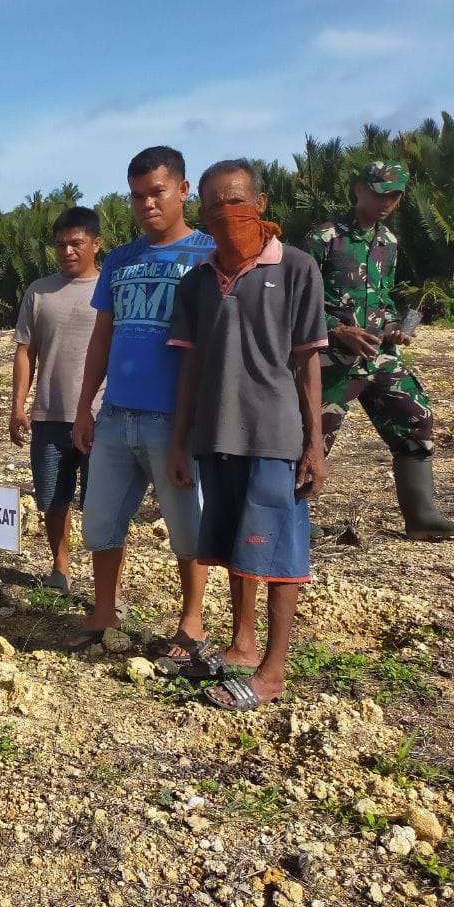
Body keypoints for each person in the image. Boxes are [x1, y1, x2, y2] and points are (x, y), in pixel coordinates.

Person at [166, 161, 328, 710]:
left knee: (280, 554)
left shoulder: (299, 268)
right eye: (214, 207)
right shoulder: (197, 282)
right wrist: (179, 441)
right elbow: (188, 369)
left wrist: (314, 442)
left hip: (275, 435)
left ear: (260, 203)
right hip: (215, 435)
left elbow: (308, 361)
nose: (226, 214)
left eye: (236, 202)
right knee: (236, 545)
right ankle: (240, 645)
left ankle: (273, 671)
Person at [69, 146, 214, 663]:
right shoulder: (121, 261)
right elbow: (102, 337)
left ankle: (191, 622)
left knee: (187, 528)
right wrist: (86, 404)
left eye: (156, 192)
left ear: (182, 190)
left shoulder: (209, 255)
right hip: (116, 416)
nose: (147, 204)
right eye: (136, 196)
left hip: (176, 421)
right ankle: (104, 611)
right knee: (101, 522)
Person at [305, 161, 454, 539]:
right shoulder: (324, 238)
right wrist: (339, 331)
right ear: (358, 190)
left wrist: (396, 327)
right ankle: (290, 519)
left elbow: (381, 298)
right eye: (380, 192)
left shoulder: (388, 243)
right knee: (311, 437)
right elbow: (299, 302)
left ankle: (422, 517)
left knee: (415, 419)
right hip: (332, 360)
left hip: (380, 355)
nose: (387, 201)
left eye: (395, 195)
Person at [9, 206, 102, 593]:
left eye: (76, 243)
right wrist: (18, 405)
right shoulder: (39, 291)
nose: (67, 251)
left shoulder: (110, 288)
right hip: (49, 413)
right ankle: (60, 566)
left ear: (96, 244)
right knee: (52, 499)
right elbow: (24, 352)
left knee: (102, 505)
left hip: (100, 415)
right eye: (60, 244)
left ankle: (104, 584)